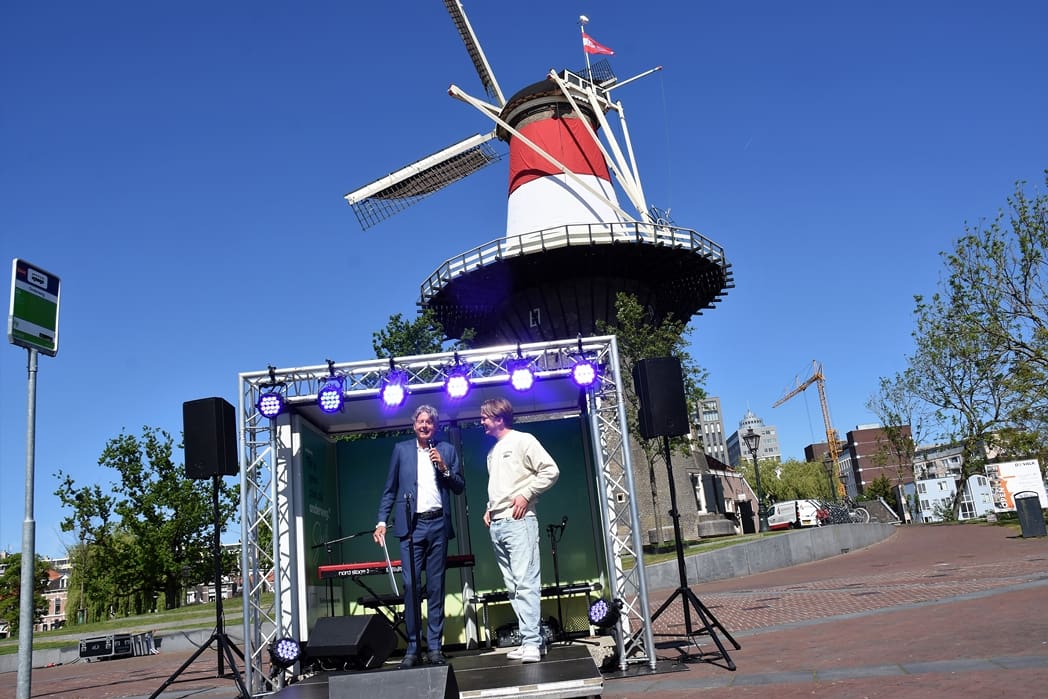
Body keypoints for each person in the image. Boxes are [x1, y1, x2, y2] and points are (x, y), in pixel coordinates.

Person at [374, 405, 465, 669]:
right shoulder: (401, 450)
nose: (425, 425)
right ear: (414, 425)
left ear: (435, 426)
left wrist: (444, 468)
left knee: (436, 587)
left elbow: (459, 486)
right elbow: (390, 489)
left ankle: (434, 647)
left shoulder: (447, 450)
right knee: (411, 585)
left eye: (430, 422)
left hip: (437, 524)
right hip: (411, 527)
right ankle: (413, 648)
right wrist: (381, 521)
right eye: (421, 421)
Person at [480, 397, 560, 663]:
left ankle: (532, 643)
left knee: (526, 582)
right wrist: (490, 508)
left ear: (499, 418)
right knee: (513, 586)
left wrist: (527, 494)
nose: (482, 421)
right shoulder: (493, 451)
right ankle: (532, 640)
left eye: (485, 417)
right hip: (498, 523)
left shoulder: (523, 440)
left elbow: (550, 471)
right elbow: (503, 486)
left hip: (519, 522)